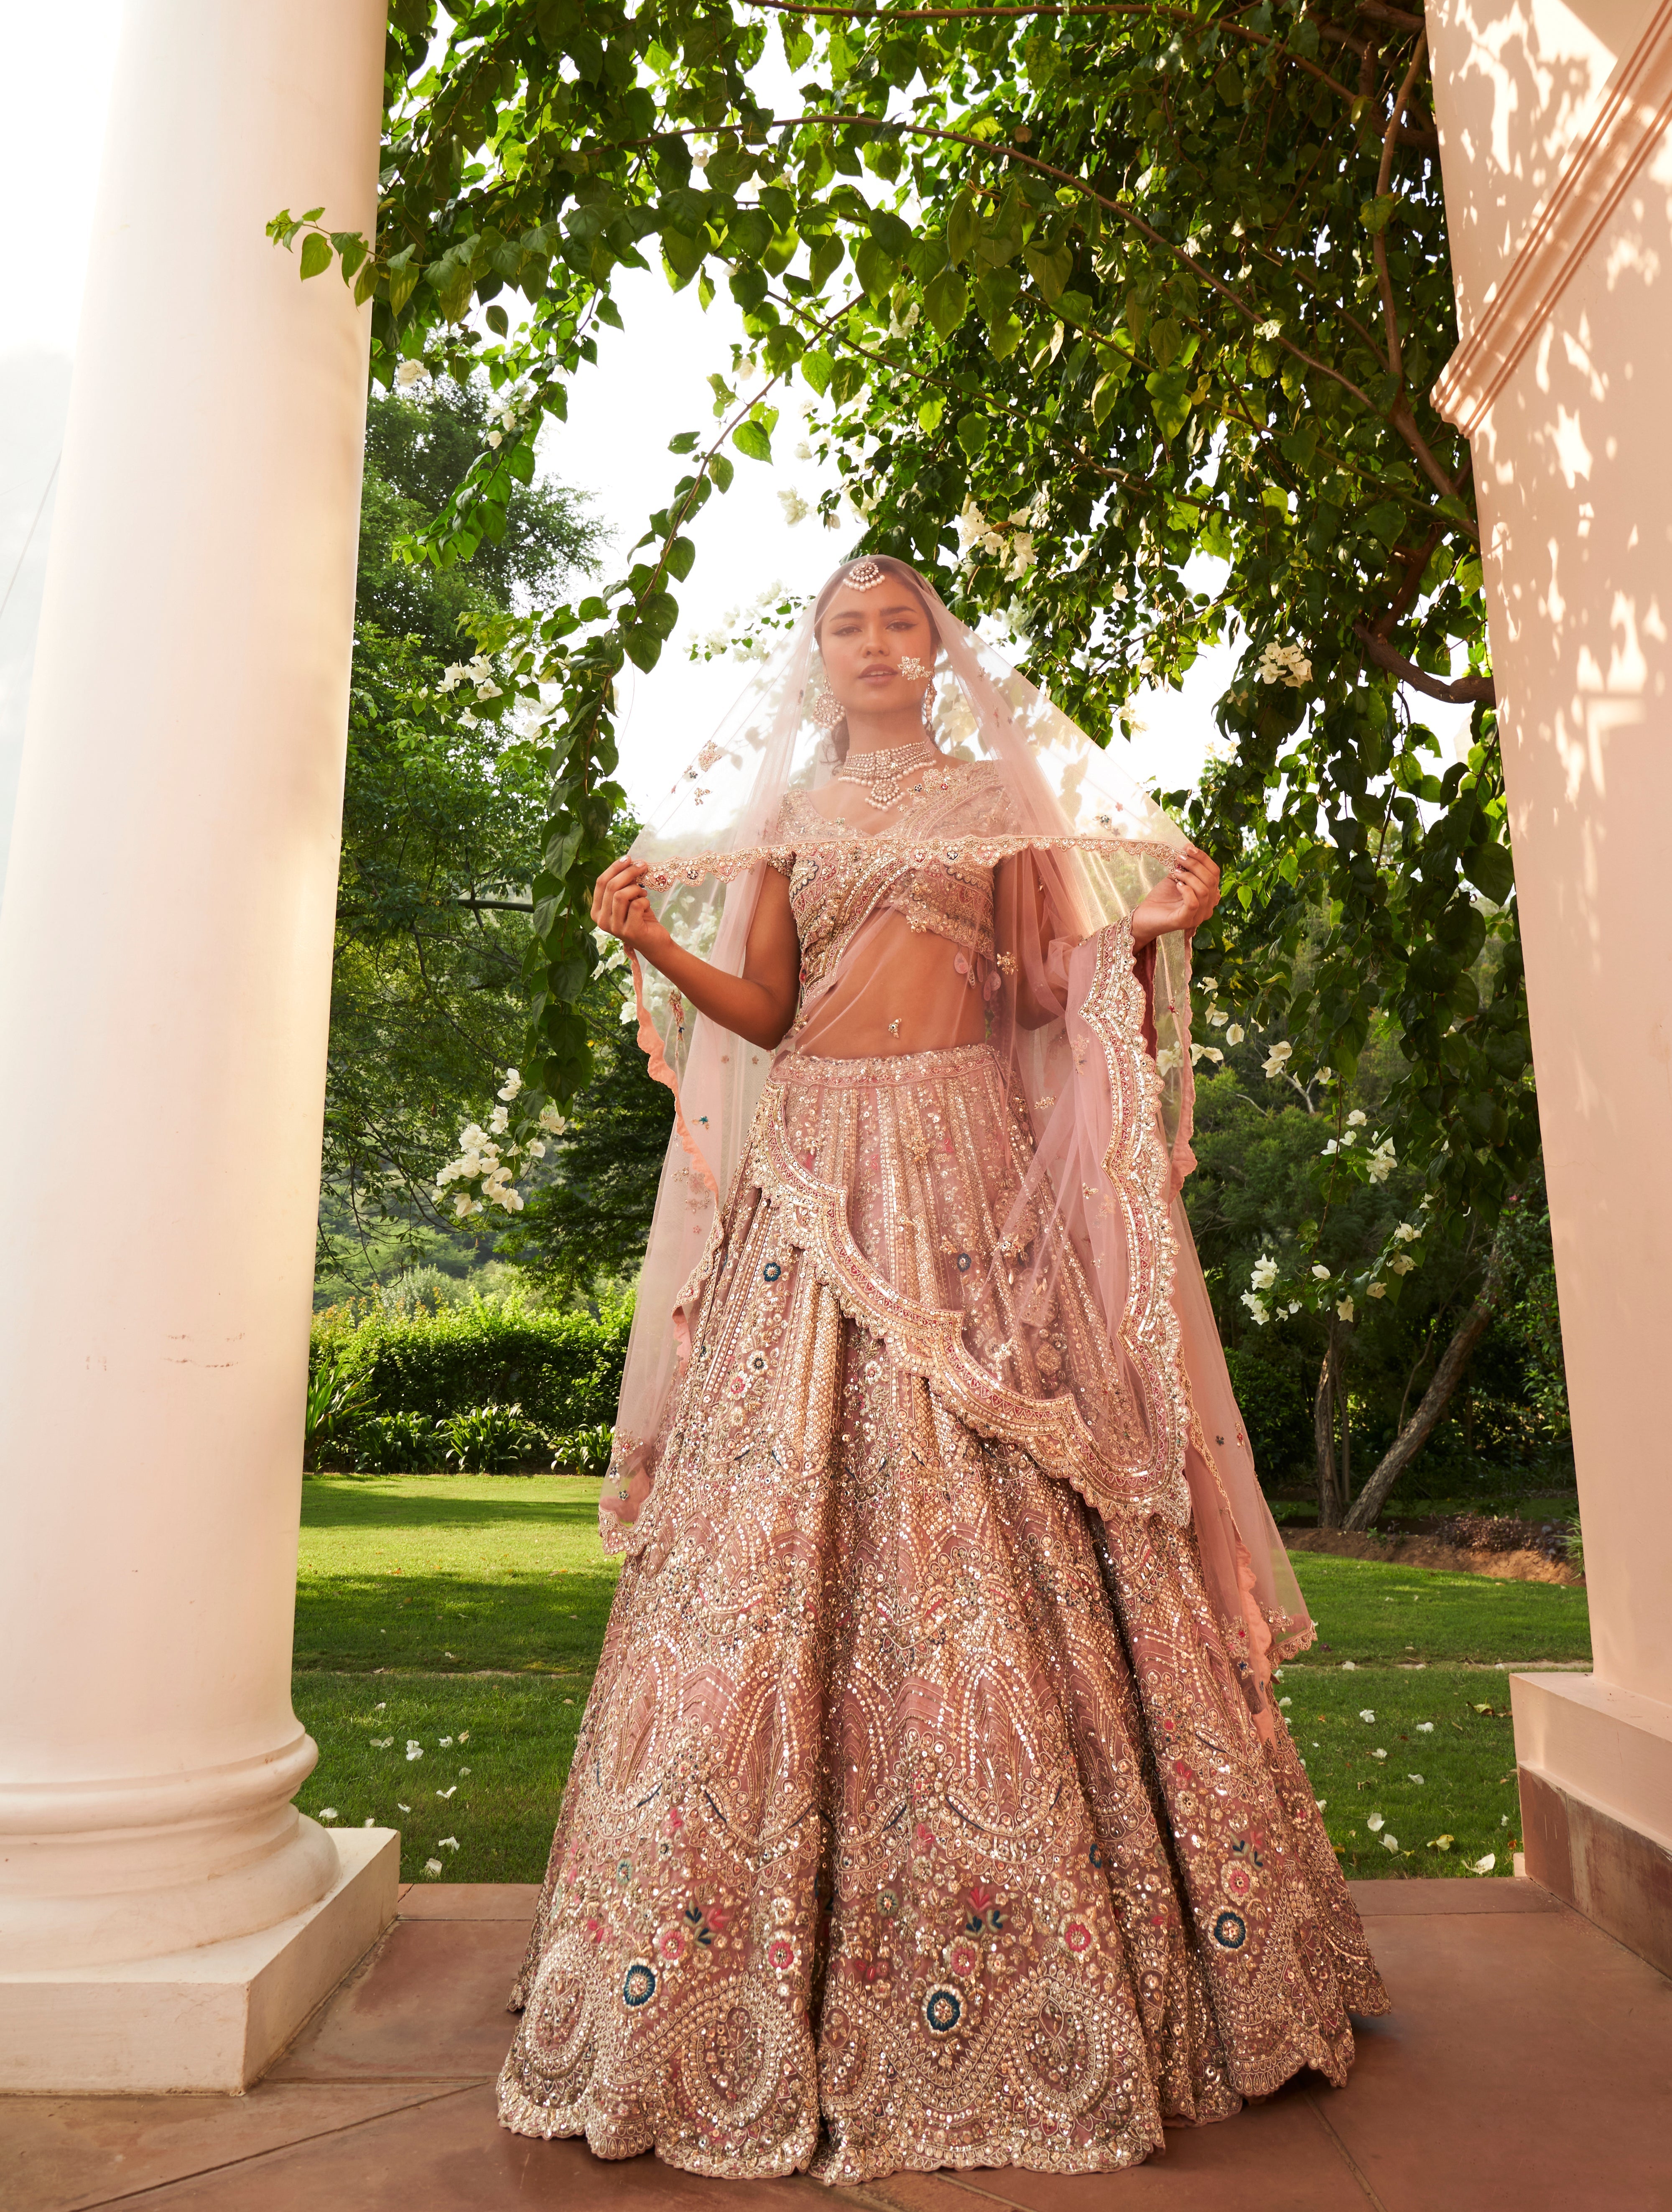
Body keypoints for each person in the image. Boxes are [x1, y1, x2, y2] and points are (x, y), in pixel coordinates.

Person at [498, 556, 1387, 2180]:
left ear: (937, 652)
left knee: (1034, 1493)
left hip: (974, 1168)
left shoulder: (996, 804)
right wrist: (654, 945)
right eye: (848, 625)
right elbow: (761, 1012)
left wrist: (1153, 923)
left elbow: (1052, 989)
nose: (877, 646)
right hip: (819, 1172)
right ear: (818, 657)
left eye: (901, 622)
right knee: (773, 1527)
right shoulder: (783, 820)